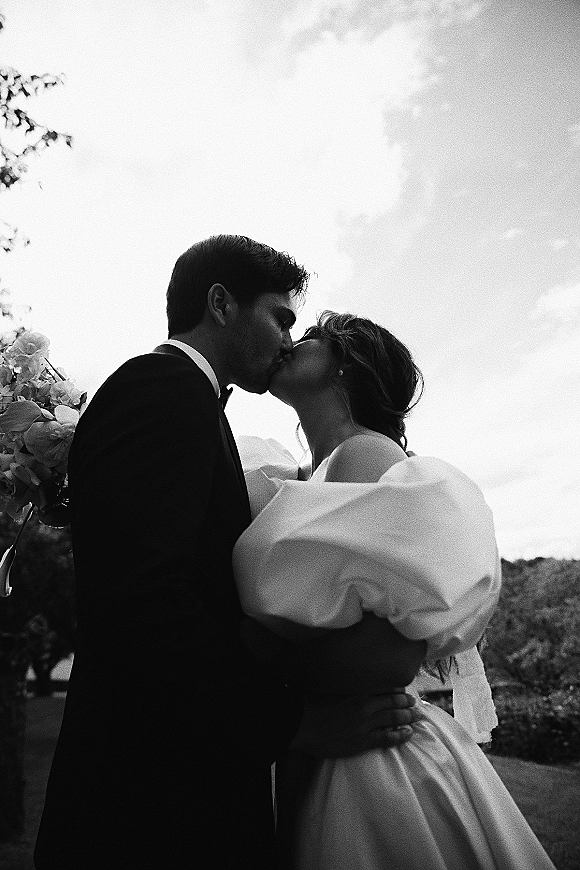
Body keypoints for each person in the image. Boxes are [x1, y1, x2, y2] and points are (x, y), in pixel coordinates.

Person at [34, 238, 423, 870]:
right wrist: (289, 726)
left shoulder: (189, 401)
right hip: (143, 806)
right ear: (221, 304)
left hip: (176, 786)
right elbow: (147, 608)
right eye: (281, 317)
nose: (287, 339)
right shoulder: (160, 390)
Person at [233, 311, 557, 869]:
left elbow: (385, 650)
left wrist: (256, 669)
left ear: (345, 367)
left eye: (309, 339)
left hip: (370, 757)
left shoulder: (363, 453)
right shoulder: (314, 471)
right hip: (333, 739)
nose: (289, 343)